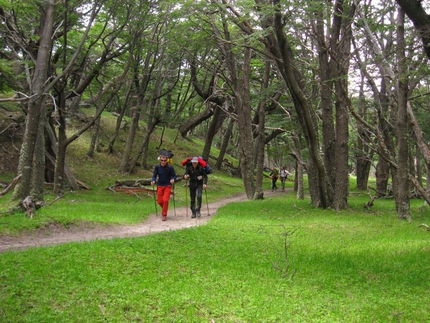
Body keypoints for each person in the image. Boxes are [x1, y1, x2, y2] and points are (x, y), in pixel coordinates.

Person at [151, 153, 177, 221]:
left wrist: (173, 179)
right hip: (160, 185)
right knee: (159, 201)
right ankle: (164, 209)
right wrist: (153, 180)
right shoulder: (157, 167)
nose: (163, 162)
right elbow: (154, 175)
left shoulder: (170, 167)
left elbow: (174, 176)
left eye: (164, 161)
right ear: (160, 160)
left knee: (165, 200)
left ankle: (164, 215)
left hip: (168, 185)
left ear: (167, 160)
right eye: (162, 160)